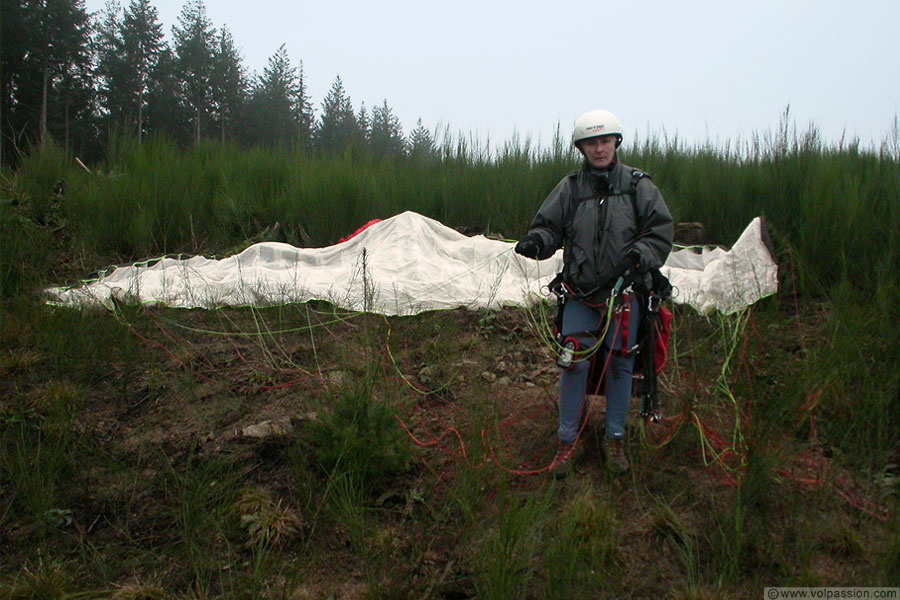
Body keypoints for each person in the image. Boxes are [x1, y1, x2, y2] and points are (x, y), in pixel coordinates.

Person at [515, 109, 674, 476]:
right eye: (591, 142)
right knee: (573, 364)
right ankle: (567, 441)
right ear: (581, 147)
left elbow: (660, 231)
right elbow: (549, 226)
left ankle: (614, 437)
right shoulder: (569, 188)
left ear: (616, 142)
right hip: (579, 295)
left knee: (621, 365)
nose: (599, 149)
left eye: (605, 141)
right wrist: (538, 242)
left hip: (625, 296)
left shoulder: (638, 186)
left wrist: (641, 256)